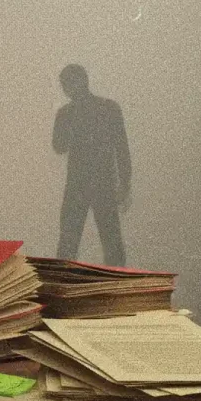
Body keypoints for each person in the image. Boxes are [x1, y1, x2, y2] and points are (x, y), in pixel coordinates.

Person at [52, 64, 132, 267]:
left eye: (65, 84)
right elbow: (59, 146)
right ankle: (116, 282)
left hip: (85, 184)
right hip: (95, 184)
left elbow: (121, 147)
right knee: (105, 240)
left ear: (77, 83)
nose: (64, 89)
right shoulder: (107, 108)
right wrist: (124, 183)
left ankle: (66, 283)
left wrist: (124, 183)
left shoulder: (69, 113)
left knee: (73, 240)